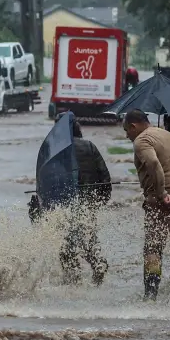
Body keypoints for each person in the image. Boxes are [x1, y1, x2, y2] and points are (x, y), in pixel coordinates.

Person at [122, 109, 170, 300]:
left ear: (133, 126)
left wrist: (162, 193)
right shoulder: (168, 135)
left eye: (126, 131)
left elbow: (154, 164)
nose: (126, 135)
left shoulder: (142, 140)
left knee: (153, 247)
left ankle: (150, 298)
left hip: (162, 199)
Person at [59, 117, 112, 285]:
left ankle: (72, 281)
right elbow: (104, 175)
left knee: (67, 242)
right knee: (88, 236)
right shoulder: (89, 146)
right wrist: (102, 199)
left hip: (65, 204)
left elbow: (51, 180)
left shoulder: (58, 151)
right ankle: (98, 264)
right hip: (88, 201)